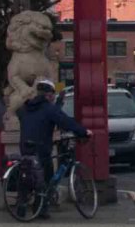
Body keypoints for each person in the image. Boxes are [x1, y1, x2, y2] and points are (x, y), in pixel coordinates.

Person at [16, 80, 87, 219]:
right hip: (41, 147)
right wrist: (83, 131)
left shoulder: (25, 107)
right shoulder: (49, 108)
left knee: (27, 173)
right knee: (47, 176)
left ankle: (22, 203)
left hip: (25, 146)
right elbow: (65, 121)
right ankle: (41, 207)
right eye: (53, 96)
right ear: (49, 95)